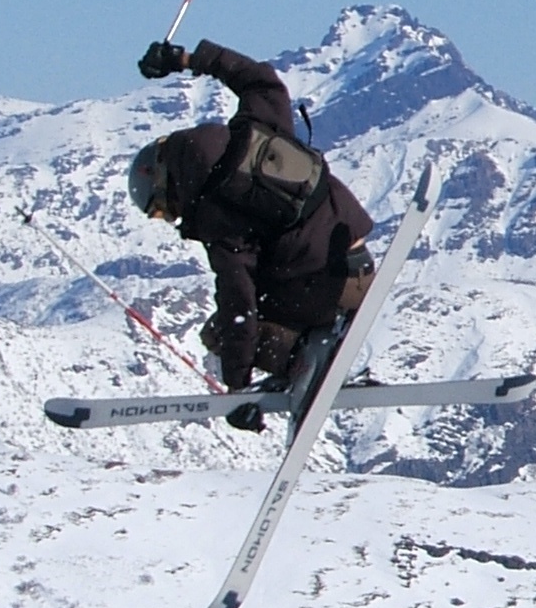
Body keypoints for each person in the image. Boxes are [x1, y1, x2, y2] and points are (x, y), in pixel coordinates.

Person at [129, 38, 374, 405]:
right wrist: (186, 59)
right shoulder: (253, 130)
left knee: (220, 332)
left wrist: (237, 388)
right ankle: (322, 353)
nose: (171, 218)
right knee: (270, 287)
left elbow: (238, 303)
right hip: (359, 265)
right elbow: (259, 78)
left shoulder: (215, 211)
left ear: (169, 183)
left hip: (327, 288)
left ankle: (311, 366)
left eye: (162, 209)